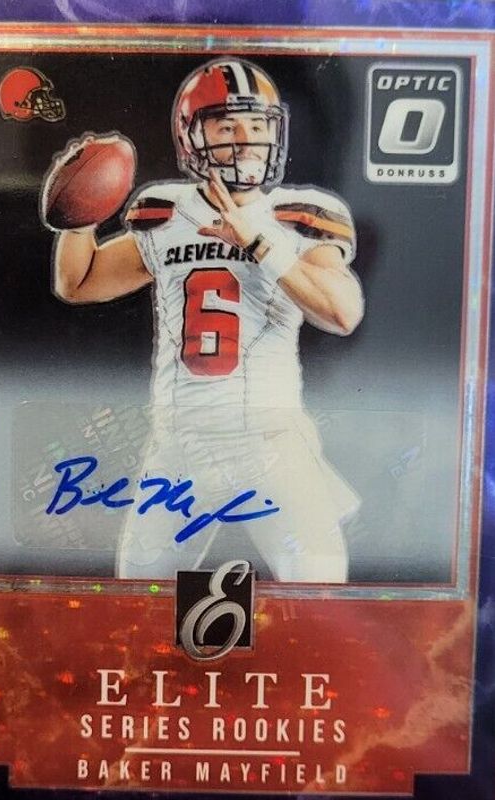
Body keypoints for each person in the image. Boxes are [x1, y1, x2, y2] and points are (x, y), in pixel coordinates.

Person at [48, 58, 364, 582]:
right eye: (226, 126)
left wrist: (258, 243)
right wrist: (78, 215)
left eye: (257, 125)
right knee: (138, 595)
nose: (246, 140)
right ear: (192, 138)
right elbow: (78, 283)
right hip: (180, 444)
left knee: (318, 586)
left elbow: (342, 312)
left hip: (270, 443)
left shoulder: (299, 215)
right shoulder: (166, 212)